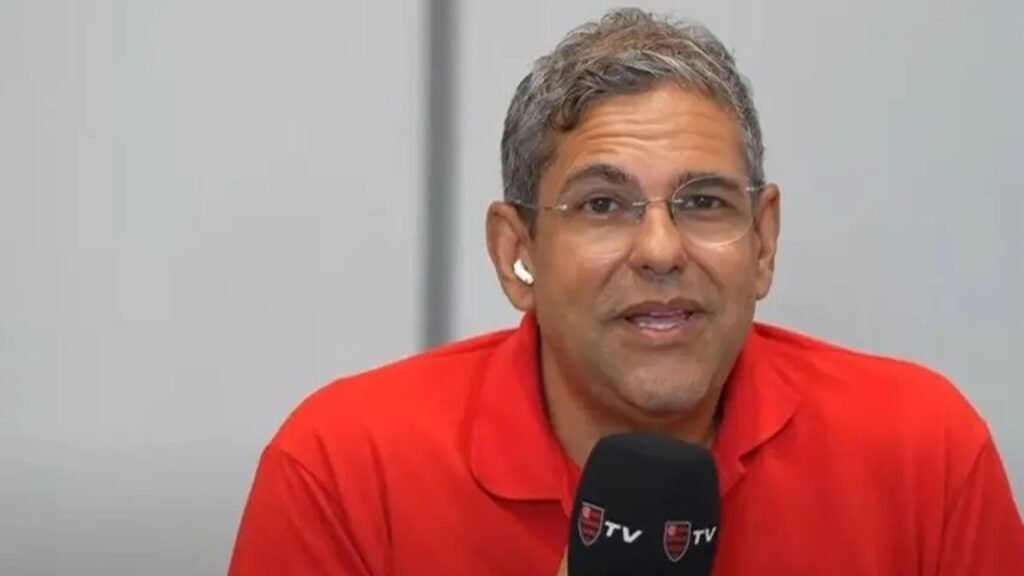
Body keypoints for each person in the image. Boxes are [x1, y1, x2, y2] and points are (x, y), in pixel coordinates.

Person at [227, 8, 1024, 575]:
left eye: (703, 201)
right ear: (515, 254)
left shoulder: (923, 454)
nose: (661, 250)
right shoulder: (344, 470)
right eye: (603, 205)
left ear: (763, 242)